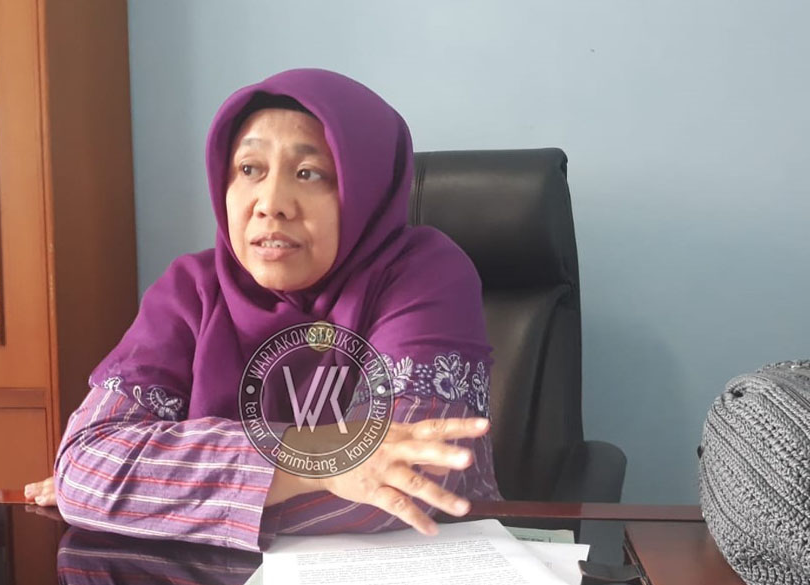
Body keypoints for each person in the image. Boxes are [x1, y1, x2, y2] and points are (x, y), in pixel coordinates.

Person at [25, 68, 501, 552]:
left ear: (366, 189)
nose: (271, 204)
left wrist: (150, 496)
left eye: (309, 173)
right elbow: (86, 470)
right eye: (250, 169)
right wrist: (313, 457)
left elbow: (406, 484)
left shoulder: (424, 274)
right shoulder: (191, 288)